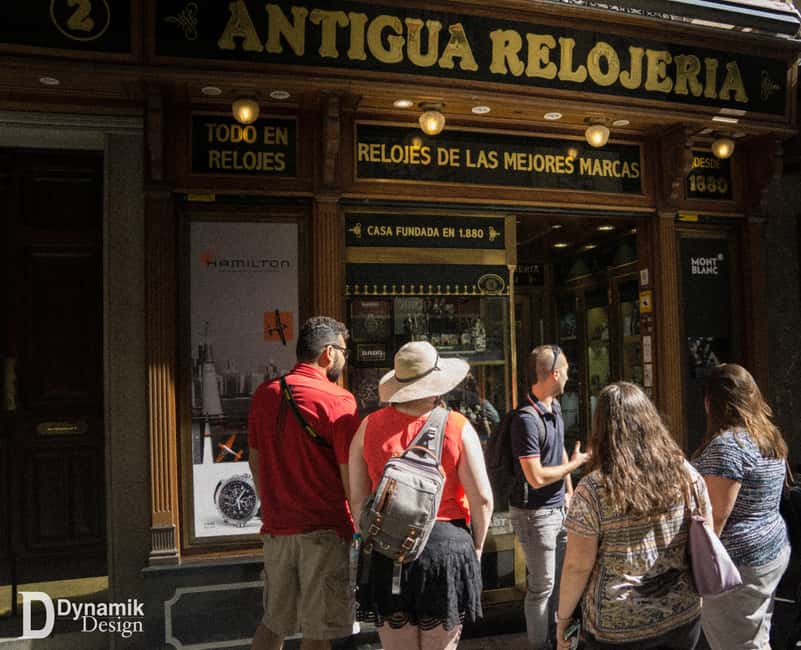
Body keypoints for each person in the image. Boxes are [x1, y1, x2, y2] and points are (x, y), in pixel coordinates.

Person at [349, 341, 493, 650]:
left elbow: (358, 499)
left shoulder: (367, 428)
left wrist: (372, 539)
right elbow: (482, 497)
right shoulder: (458, 426)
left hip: (387, 550)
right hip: (445, 549)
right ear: (437, 384)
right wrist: (477, 547)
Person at [556, 382, 709, 650]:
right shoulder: (685, 472)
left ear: (601, 428)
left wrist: (563, 619)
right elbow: (707, 527)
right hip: (681, 614)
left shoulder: (592, 489)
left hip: (616, 626)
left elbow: (576, 566)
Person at [248, 316, 360, 650]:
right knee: (318, 631)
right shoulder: (339, 400)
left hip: (277, 530)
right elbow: (349, 473)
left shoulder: (265, 394)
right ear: (328, 353)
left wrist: (272, 503)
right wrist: (358, 523)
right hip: (324, 531)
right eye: (343, 351)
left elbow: (255, 460)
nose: (345, 358)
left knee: (273, 624)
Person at [692, 363, 790, 650]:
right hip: (768, 553)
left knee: (739, 643)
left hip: (738, 567)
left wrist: (696, 571)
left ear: (711, 403)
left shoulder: (728, 447)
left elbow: (715, 518)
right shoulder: (767, 436)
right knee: (755, 639)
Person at [511, 344, 590, 650]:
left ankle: (560, 642)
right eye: (567, 370)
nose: (569, 376)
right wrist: (576, 464)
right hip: (534, 513)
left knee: (560, 583)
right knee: (542, 586)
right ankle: (539, 645)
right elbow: (536, 476)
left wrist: (569, 493)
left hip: (557, 509)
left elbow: (556, 454)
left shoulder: (554, 408)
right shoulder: (526, 419)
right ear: (554, 373)